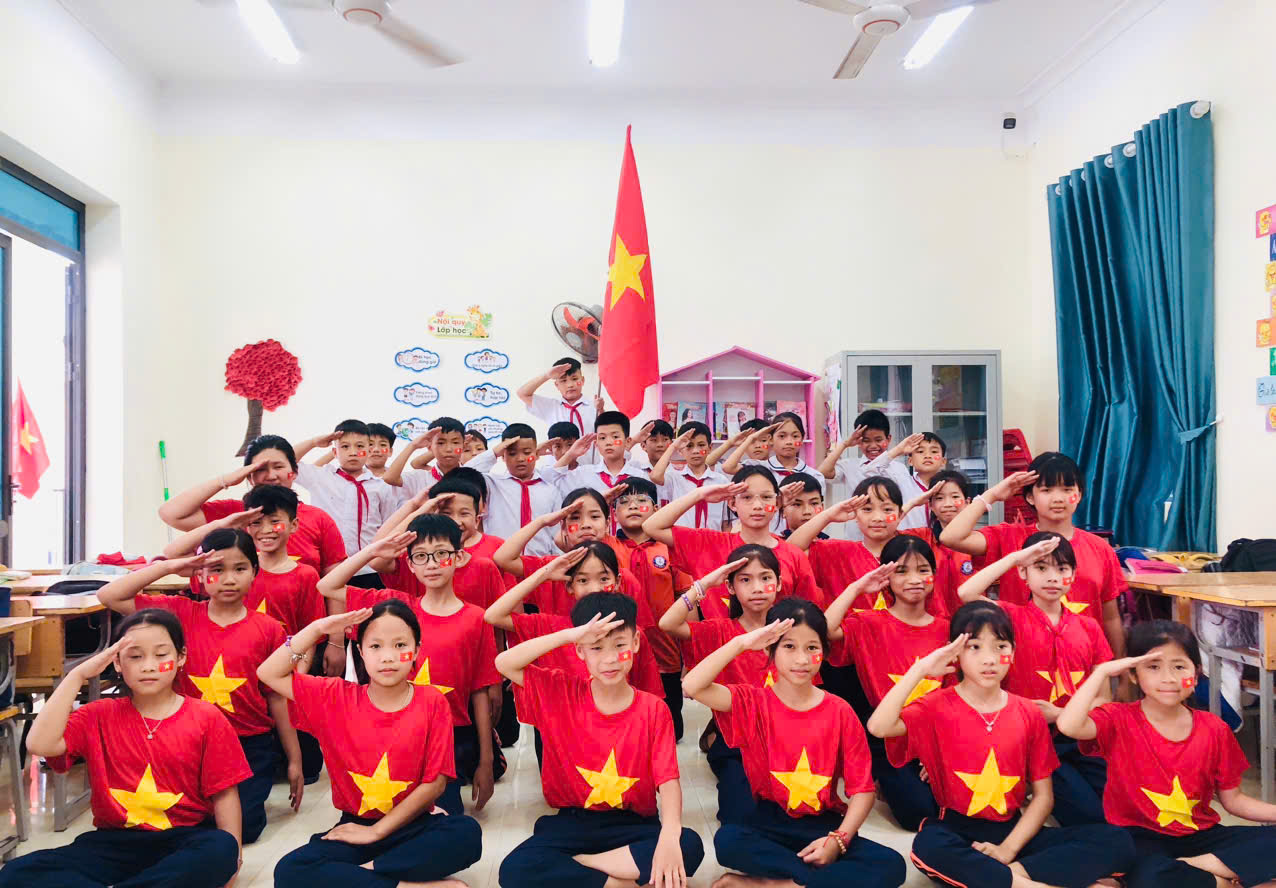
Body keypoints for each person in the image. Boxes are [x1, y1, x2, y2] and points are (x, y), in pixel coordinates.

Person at [867, 601, 1135, 888]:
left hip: (1014, 833)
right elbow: (879, 727)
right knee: (928, 847)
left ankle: (1011, 875)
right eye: (975, 647)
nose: (989, 659)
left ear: (1013, 651)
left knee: (1118, 841)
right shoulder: (936, 706)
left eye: (1000, 647)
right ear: (955, 652)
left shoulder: (1029, 712)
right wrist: (921, 669)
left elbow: (1043, 798)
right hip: (957, 830)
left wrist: (1007, 851)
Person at [0, 610, 248, 888]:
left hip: (183, 839)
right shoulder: (97, 714)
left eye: (161, 655)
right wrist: (78, 675)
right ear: (117, 662)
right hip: (111, 843)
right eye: (135, 657)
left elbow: (225, 793)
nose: (149, 666)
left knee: (220, 848)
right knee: (17, 873)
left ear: (181, 658)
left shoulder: (206, 717)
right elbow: (38, 744)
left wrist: (233, 860)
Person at [683, 598, 907, 888]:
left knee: (892, 865)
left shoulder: (840, 711)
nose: (801, 659)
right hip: (768, 820)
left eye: (812, 648)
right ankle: (807, 882)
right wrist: (741, 643)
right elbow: (692, 686)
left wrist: (837, 841)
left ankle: (777, 883)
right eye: (789, 646)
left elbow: (862, 791)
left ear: (824, 651)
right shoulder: (753, 701)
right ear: (770, 649)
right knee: (728, 840)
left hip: (822, 824)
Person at [261, 601, 483, 888]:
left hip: (412, 824)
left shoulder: (432, 701)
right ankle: (404, 884)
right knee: (290, 871)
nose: (387, 657)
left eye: (400, 645)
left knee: (466, 833)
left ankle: (362, 876)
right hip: (356, 825)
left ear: (416, 650)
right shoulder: (335, 697)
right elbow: (269, 673)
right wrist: (318, 629)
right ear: (361, 652)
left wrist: (376, 833)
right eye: (375, 646)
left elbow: (435, 784)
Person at [96, 535, 300, 844]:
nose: (228, 579)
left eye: (240, 569)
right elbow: (109, 595)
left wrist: (294, 759)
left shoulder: (269, 629)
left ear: (255, 572)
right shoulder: (179, 613)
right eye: (217, 569)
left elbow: (277, 696)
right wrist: (171, 566)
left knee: (245, 828)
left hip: (248, 744)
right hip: (185, 742)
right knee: (178, 820)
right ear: (200, 575)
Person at [495, 593, 704, 888]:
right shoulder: (561, 691)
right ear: (579, 651)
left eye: (619, 646)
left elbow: (668, 781)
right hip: (574, 822)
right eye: (596, 647)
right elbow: (504, 663)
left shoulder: (653, 709)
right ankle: (618, 882)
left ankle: (582, 867)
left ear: (635, 643)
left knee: (690, 845)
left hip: (634, 823)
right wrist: (568, 635)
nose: (609, 659)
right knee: (514, 870)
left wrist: (670, 834)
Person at [1057, 620, 1276, 888]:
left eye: (1179, 667)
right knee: (1148, 874)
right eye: (1153, 667)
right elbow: (1068, 725)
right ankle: (1220, 879)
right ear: (1134, 674)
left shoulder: (1215, 728)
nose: (1168, 678)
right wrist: (1102, 672)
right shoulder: (1117, 718)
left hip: (1201, 836)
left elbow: (1234, 801)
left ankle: (1189, 870)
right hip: (1139, 839)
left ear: (1196, 674)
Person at [318, 516, 499, 815]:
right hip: (393, 735)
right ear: (410, 565)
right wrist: (374, 550)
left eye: (441, 554)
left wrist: (486, 761)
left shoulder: (476, 618)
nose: (432, 564)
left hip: (447, 740)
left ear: (458, 557)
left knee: (443, 818)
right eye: (421, 556)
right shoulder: (397, 608)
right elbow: (327, 585)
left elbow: (480, 692)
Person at [160, 484, 330, 782]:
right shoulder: (230, 568)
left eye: (275, 522)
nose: (266, 530)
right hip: (232, 675)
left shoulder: (303, 575)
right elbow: (170, 553)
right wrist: (226, 523)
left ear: (293, 525)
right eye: (256, 522)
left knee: (302, 761)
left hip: (280, 672)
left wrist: (294, 680)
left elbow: (309, 633)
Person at [957, 534, 1113, 826]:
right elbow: (966, 592)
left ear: (1073, 575)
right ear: (1023, 573)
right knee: (1090, 815)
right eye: (1041, 568)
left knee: (1119, 806)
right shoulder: (1009, 618)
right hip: (1030, 740)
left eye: (1062, 569)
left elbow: (1104, 697)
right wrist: (1016, 557)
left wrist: (1061, 714)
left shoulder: (1089, 627)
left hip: (1079, 736)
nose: (1053, 577)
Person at [940, 451, 1128, 657]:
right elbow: (950, 537)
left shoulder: (1100, 548)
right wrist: (991, 495)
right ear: (1030, 496)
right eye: (1046, 490)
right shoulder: (1009, 537)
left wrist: (1121, 669)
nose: (1058, 498)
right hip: (1022, 660)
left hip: (1083, 661)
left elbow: (1110, 617)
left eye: (1067, 490)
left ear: (1080, 495)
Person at [823, 535, 945, 831]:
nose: (914, 579)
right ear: (886, 577)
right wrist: (856, 588)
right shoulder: (869, 623)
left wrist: (938, 751)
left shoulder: (947, 628)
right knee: (918, 814)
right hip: (888, 739)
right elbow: (823, 630)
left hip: (937, 737)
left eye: (923, 570)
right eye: (901, 571)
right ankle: (883, 779)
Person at [657, 547, 780, 824]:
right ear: (731, 588)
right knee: (740, 817)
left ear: (779, 583)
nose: (757, 588)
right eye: (745, 580)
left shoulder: (791, 629)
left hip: (785, 738)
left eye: (765, 578)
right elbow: (667, 623)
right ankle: (716, 735)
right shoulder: (720, 630)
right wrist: (703, 584)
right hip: (738, 742)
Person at [642, 465, 825, 620]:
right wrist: (699, 494)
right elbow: (651, 526)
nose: (757, 506)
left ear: (777, 503)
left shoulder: (793, 555)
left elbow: (808, 614)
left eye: (766, 497)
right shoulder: (709, 544)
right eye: (747, 497)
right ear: (732, 503)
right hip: (720, 647)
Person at [484, 543, 664, 699]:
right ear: (570, 586)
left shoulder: (630, 633)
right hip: (560, 722)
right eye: (583, 580)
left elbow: (650, 696)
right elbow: (493, 616)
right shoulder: (549, 626)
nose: (594, 588)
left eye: (604, 579)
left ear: (617, 582)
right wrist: (544, 573)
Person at [157, 433, 346, 576]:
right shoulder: (233, 514)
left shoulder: (319, 518)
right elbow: (171, 513)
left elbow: (334, 581)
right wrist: (226, 480)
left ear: (294, 472)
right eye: (260, 469)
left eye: (278, 467)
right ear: (249, 476)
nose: (271, 476)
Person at [610, 477, 693, 739]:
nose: (633, 506)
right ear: (613, 513)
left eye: (641, 501)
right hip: (620, 650)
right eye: (624, 502)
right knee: (626, 726)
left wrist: (692, 655)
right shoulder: (606, 547)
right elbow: (564, 540)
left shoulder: (670, 548)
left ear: (657, 509)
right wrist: (602, 500)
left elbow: (687, 598)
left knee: (670, 730)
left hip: (666, 650)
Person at [786, 478, 941, 614]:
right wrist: (828, 516)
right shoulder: (836, 552)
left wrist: (912, 504)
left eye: (887, 509)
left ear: (900, 514)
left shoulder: (917, 541)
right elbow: (790, 550)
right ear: (855, 514)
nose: (878, 518)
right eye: (867, 509)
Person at [293, 420, 399, 589]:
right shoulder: (321, 477)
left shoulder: (381, 486)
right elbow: (285, 462)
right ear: (335, 452)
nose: (353, 452)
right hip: (328, 568)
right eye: (345, 447)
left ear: (369, 450)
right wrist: (314, 442)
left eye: (360, 446)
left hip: (369, 569)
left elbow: (388, 526)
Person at [464, 423, 564, 556]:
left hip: (540, 563)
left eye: (527, 453)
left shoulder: (551, 491)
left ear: (536, 454)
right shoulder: (492, 484)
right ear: (503, 456)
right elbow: (463, 474)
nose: (520, 459)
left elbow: (557, 534)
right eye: (512, 454)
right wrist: (493, 453)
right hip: (497, 561)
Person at [546, 412, 650, 519]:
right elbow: (550, 480)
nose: (608, 442)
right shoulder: (583, 474)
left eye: (615, 437)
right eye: (602, 438)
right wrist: (571, 453)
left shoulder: (640, 476)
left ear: (627, 441)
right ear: (596, 444)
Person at [648, 422, 730, 530]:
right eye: (689, 446)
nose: (695, 451)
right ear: (680, 451)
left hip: (713, 538)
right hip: (681, 538)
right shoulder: (674, 478)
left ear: (710, 448)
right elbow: (655, 476)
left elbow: (726, 522)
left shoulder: (721, 481)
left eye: (701, 445)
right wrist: (674, 446)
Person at [723, 412, 822, 499]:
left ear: (802, 439)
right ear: (771, 439)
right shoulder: (758, 467)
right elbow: (728, 467)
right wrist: (750, 438)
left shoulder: (814, 475)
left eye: (795, 436)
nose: (789, 441)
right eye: (782, 436)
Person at [922, 469, 977, 617]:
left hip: (972, 622)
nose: (948, 504)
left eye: (955, 497)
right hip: (933, 623)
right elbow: (888, 528)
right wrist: (915, 503)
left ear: (967, 502)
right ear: (931, 506)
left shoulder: (980, 543)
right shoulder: (922, 538)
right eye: (939, 498)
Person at [517, 356, 601, 439]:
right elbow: (523, 394)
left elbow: (604, 432)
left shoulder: (595, 406)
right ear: (557, 385)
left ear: (582, 380)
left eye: (574, 379)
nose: (570, 385)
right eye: (563, 380)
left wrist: (601, 410)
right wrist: (547, 376)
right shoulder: (551, 406)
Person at [384, 417, 469, 497]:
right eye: (441, 443)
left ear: (464, 446)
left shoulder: (472, 476)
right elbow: (389, 478)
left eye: (455, 442)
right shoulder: (419, 478)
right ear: (429, 447)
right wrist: (413, 445)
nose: (448, 449)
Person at [312, 422, 398, 479]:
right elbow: (313, 471)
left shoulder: (398, 477)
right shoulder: (347, 475)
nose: (376, 449)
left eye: (382, 445)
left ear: (390, 451)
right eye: (370, 444)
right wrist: (340, 448)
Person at [778, 472, 827, 540]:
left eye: (814, 503)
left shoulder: (833, 545)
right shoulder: (774, 545)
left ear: (822, 508)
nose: (807, 511)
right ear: (782, 511)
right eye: (797, 504)